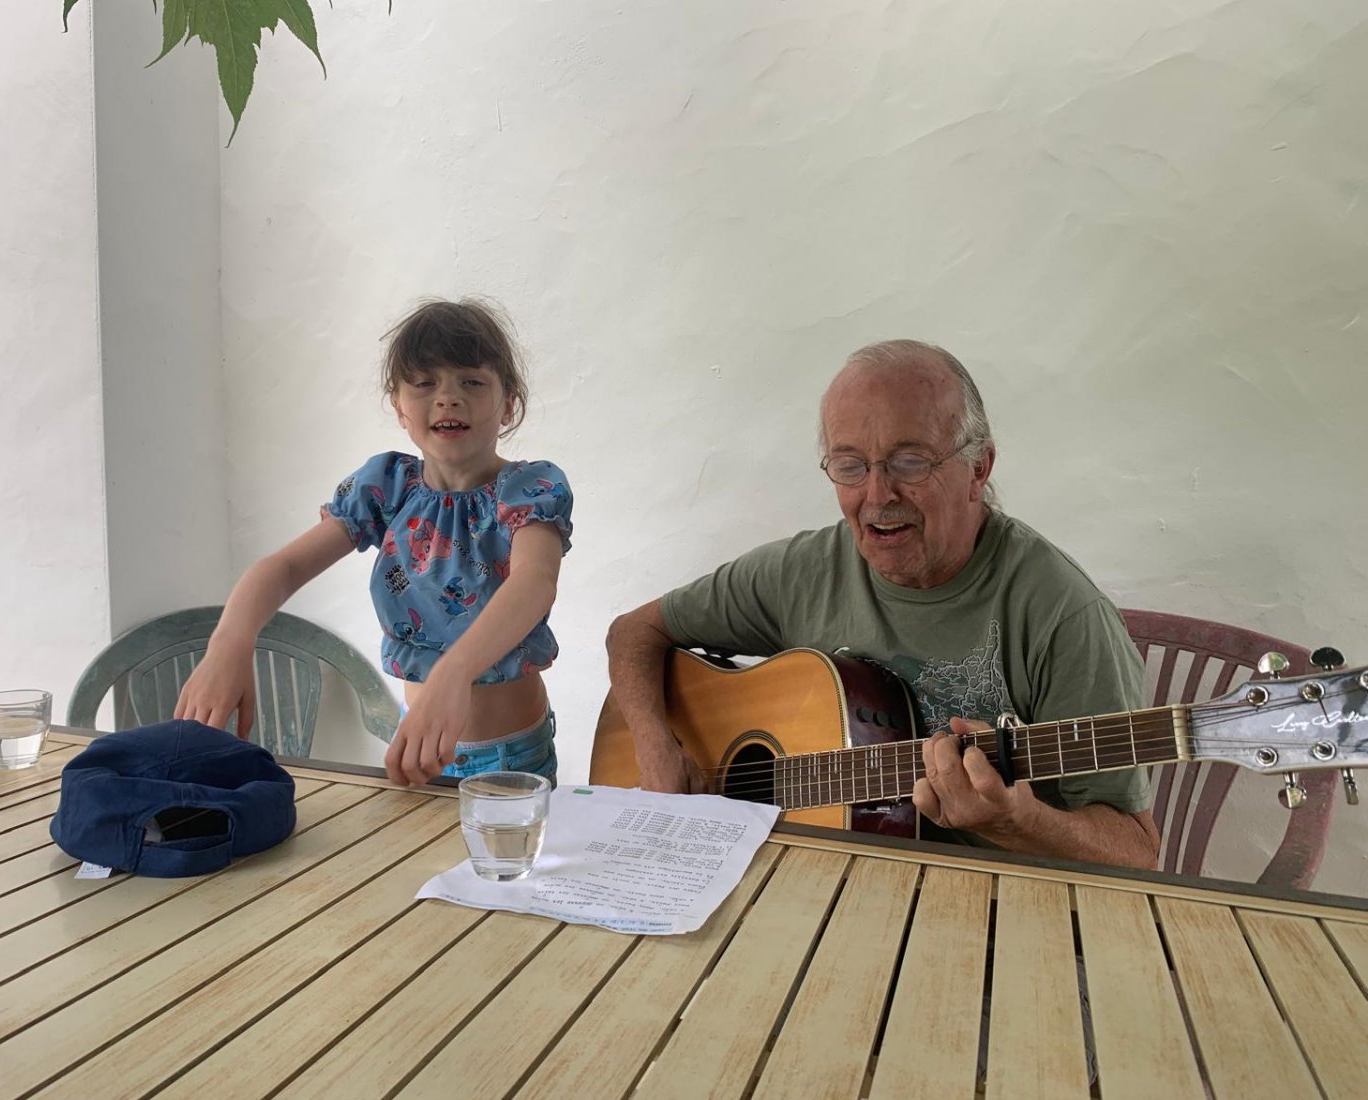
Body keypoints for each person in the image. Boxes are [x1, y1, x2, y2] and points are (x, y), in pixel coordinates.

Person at [605, 339, 1159, 868]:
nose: (877, 495)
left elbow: (1138, 853)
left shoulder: (1064, 616)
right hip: (811, 889)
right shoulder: (807, 570)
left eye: (909, 462)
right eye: (850, 466)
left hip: (991, 918)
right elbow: (634, 632)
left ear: (979, 469)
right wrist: (657, 744)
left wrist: (1018, 823)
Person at [178, 298, 573, 787]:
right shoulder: (387, 487)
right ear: (399, 407)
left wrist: (453, 673)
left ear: (508, 402)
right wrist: (229, 643)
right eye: (425, 383)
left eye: (472, 382)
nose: (448, 398)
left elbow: (534, 583)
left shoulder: (529, 490)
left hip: (512, 756)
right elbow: (282, 568)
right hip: (416, 751)